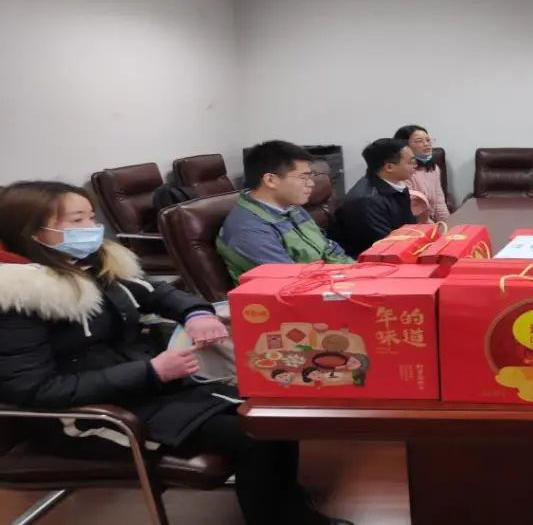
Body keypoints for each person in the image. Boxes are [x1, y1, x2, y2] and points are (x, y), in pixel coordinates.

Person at [0, 182, 352, 525]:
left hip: (143, 390)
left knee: (272, 411)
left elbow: (158, 293)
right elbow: (36, 390)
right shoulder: (20, 300)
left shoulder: (91, 267)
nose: (92, 228)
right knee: (252, 435)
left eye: (92, 217)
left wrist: (196, 314)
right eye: (77, 220)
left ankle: (286, 504)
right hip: (87, 418)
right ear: (33, 232)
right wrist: (151, 371)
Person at [217, 140, 353, 283]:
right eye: (303, 177)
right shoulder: (248, 230)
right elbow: (291, 282)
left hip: (329, 282)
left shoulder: (291, 206)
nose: (311, 183)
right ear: (271, 180)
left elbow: (329, 249)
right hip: (299, 292)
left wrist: (356, 272)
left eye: (310, 177)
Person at [335, 138, 417, 257]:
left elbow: (410, 229)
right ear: (389, 167)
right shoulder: (367, 200)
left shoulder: (396, 185)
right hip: (372, 260)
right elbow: (385, 245)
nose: (415, 166)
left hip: (399, 250)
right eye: (411, 162)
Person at [394, 125, 450, 224]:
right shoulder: (402, 172)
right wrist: (434, 228)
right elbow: (411, 212)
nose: (426, 144)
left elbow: (439, 203)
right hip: (412, 225)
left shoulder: (434, 168)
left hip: (430, 223)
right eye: (419, 141)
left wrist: (448, 225)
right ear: (405, 146)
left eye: (428, 140)